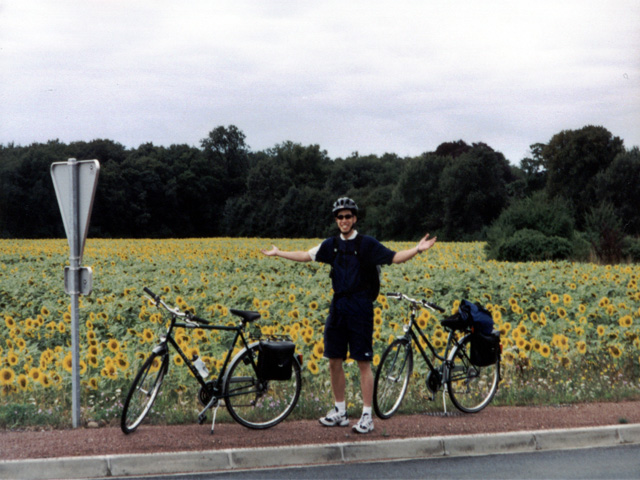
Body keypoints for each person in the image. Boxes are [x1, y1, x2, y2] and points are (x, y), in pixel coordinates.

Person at [261, 197, 436, 434]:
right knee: (334, 360)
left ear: (354, 219)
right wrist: (278, 253)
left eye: (347, 216)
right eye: (340, 217)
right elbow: (306, 255)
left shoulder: (367, 244)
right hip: (338, 306)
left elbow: (394, 257)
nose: (344, 220)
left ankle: (367, 416)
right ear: (336, 220)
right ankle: (340, 412)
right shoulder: (331, 245)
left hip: (360, 307)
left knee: (363, 362)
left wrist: (417, 249)